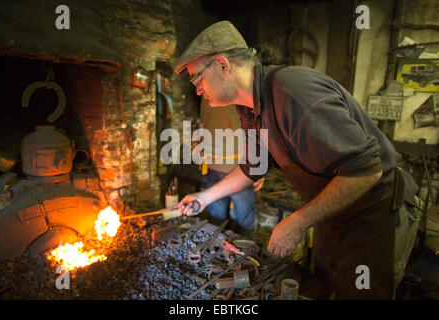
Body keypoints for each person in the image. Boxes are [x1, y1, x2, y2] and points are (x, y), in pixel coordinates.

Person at [174, 20, 422, 299]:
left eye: (197, 78)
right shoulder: (249, 108)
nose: (197, 90)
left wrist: (298, 221)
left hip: (375, 211)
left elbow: (366, 171)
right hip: (335, 212)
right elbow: (253, 167)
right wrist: (205, 197)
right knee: (322, 285)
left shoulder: (294, 91)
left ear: (222, 64)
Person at [197, 97, 263, 237]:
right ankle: (246, 253)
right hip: (241, 170)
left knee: (215, 220)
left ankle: (215, 250)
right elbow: (256, 131)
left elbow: (201, 127)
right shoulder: (240, 95)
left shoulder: (205, 95)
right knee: (245, 221)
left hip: (213, 164)